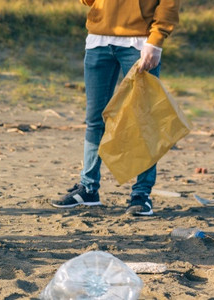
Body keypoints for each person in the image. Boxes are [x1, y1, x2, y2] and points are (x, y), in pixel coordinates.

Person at [52, 0, 180, 216]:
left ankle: (141, 195)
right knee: (95, 120)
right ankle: (89, 189)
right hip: (98, 40)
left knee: (143, 121)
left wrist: (156, 41)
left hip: (140, 43)